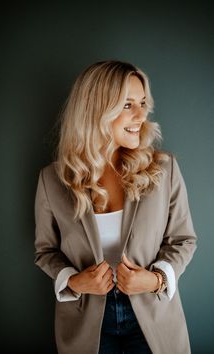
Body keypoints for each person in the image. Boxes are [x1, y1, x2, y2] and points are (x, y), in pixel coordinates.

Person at [34, 60, 197, 354]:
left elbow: (183, 240)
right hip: (85, 322)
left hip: (153, 313)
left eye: (143, 102)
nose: (142, 114)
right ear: (96, 108)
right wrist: (74, 281)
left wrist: (157, 279)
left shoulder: (164, 169)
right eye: (127, 105)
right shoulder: (51, 180)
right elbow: (45, 250)